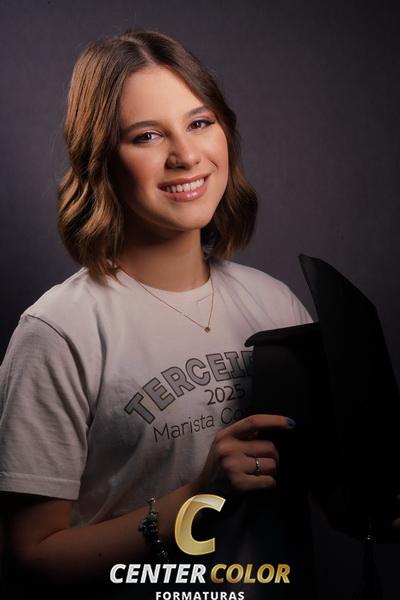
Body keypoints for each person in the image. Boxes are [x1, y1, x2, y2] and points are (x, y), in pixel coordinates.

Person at [0, 29, 398, 599]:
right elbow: (30, 560)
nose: (186, 155)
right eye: (146, 135)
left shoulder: (275, 303)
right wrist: (195, 499)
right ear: (101, 160)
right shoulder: (59, 333)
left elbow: (333, 502)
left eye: (200, 122)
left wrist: (373, 499)